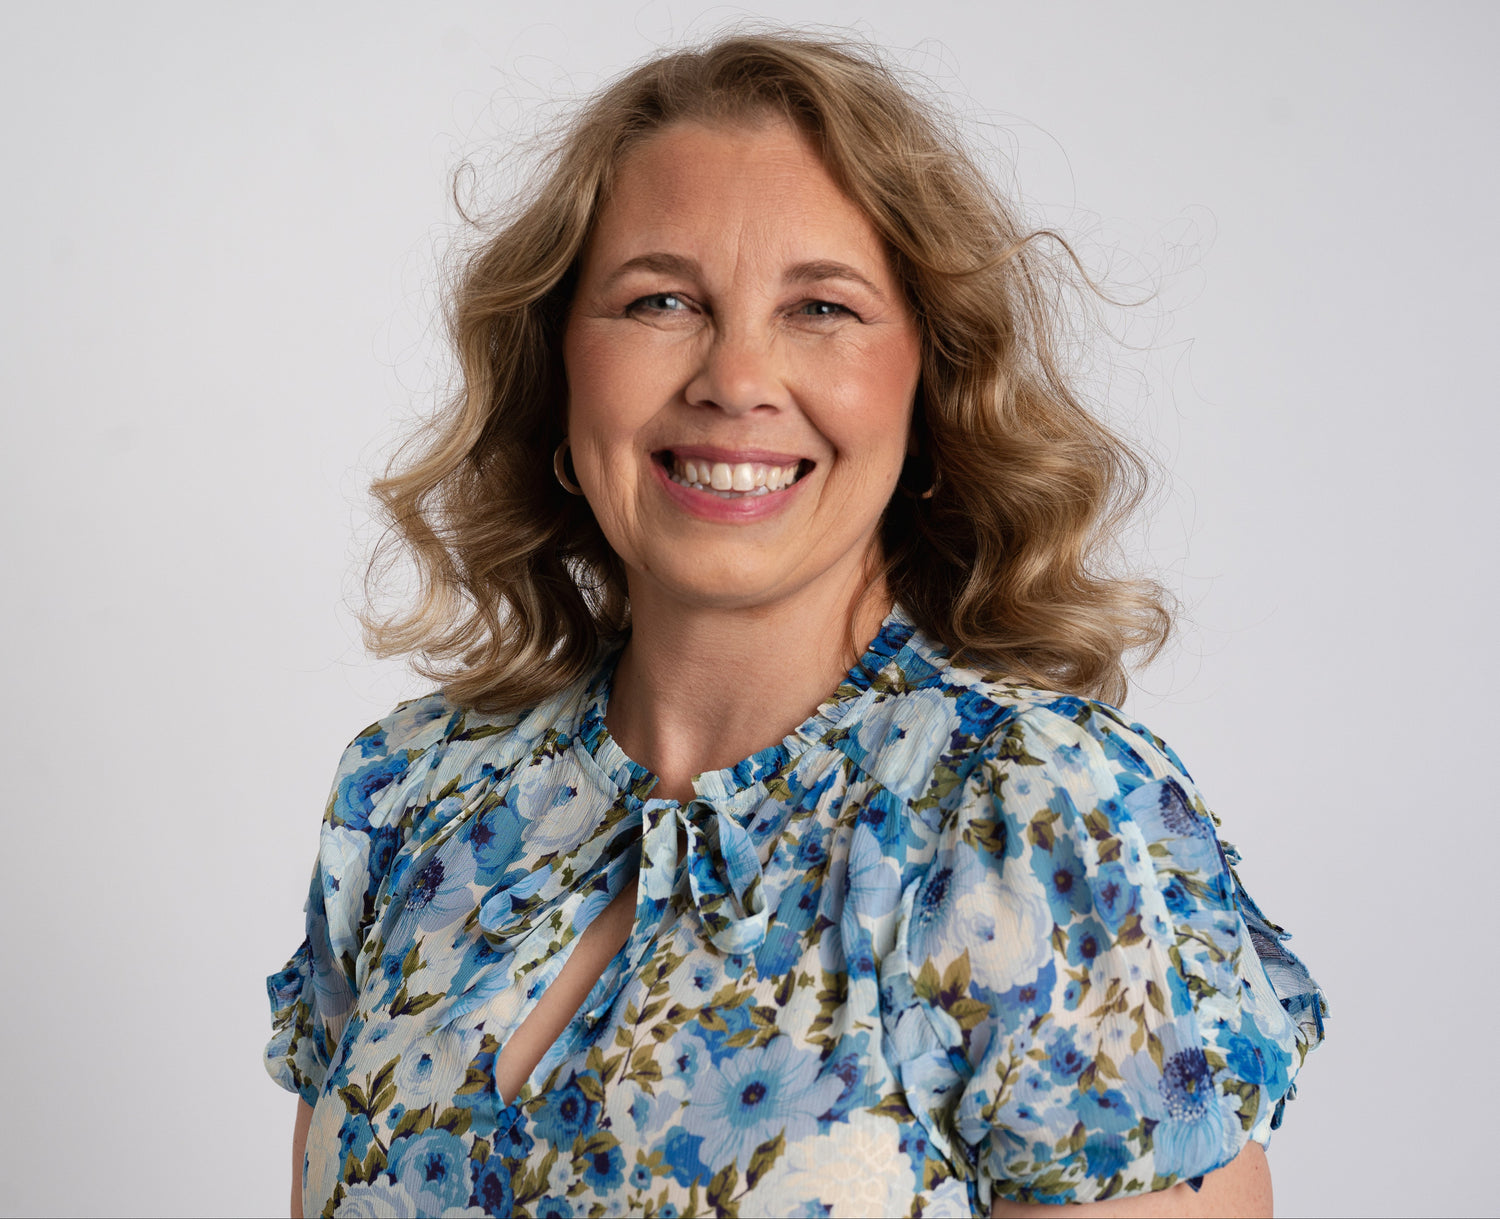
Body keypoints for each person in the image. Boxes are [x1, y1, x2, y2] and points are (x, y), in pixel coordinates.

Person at [264, 29, 1326, 1219]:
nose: (736, 376)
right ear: (559, 367)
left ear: (928, 385)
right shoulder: (412, 794)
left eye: (822, 306)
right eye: (658, 299)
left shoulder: (1034, 821)